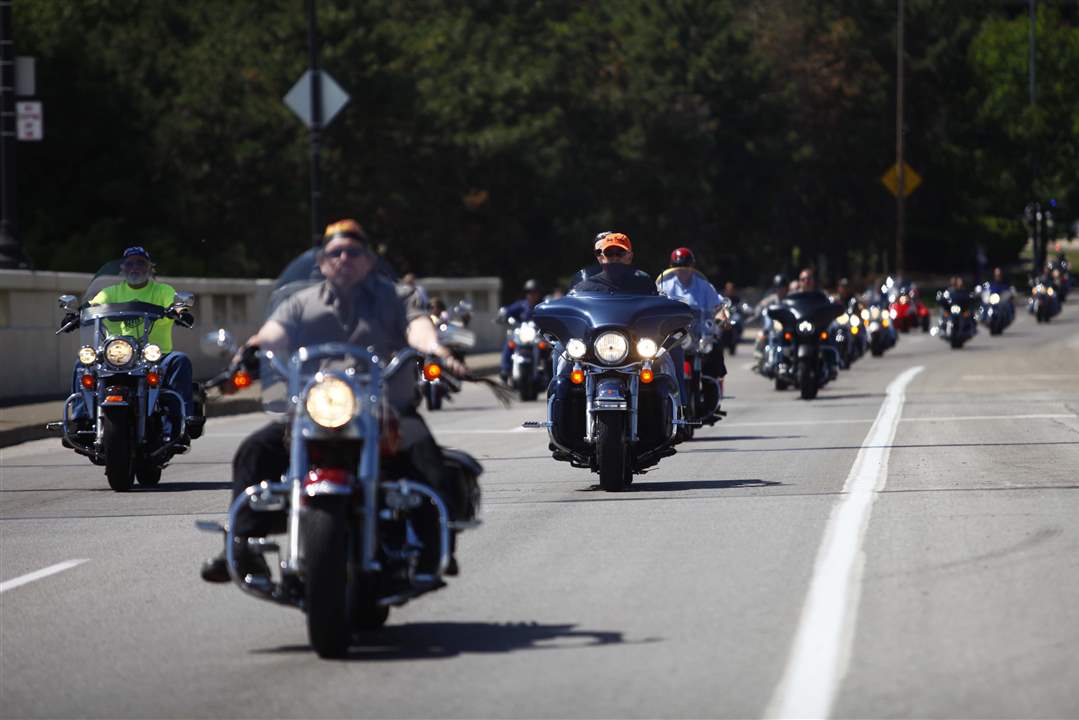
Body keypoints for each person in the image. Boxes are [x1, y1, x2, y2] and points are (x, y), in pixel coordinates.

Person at [201, 220, 462, 582]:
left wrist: (435, 349)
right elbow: (274, 333)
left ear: (368, 261)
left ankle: (437, 544)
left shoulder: (396, 297)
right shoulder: (300, 303)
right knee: (254, 451)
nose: (344, 258)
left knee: (424, 452)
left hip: (383, 407)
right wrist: (250, 352)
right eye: (335, 252)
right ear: (322, 262)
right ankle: (243, 544)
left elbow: (416, 327)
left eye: (353, 252)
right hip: (317, 408)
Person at [69, 246, 197, 443]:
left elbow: (176, 304)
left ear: (150, 268)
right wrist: (76, 315)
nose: (135, 267)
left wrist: (180, 311)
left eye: (140, 263)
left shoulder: (163, 291)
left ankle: (182, 422)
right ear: (123, 269)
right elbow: (92, 306)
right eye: (129, 263)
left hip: (156, 355)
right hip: (117, 355)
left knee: (180, 360)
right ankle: (80, 420)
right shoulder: (110, 292)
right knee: (82, 365)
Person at [655, 247, 728, 382]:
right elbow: (654, 306)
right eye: (677, 266)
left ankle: (713, 382)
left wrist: (722, 317)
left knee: (715, 347)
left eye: (686, 265)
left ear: (692, 266)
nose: (682, 269)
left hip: (699, 335)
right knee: (652, 358)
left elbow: (718, 306)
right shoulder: (664, 285)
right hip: (674, 336)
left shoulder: (704, 286)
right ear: (671, 266)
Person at [570, 232, 657, 295]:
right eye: (609, 253)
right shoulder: (584, 289)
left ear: (630, 256)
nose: (615, 258)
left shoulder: (645, 284)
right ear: (602, 257)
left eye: (620, 253)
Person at [497, 279, 545, 382]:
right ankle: (505, 370)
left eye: (534, 292)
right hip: (523, 335)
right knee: (509, 344)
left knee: (549, 350)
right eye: (529, 292)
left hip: (538, 336)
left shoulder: (543, 306)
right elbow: (508, 310)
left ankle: (550, 376)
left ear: (539, 294)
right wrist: (503, 314)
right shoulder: (521, 305)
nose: (532, 295)